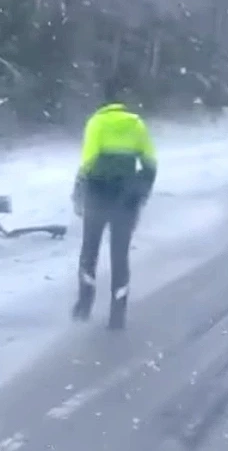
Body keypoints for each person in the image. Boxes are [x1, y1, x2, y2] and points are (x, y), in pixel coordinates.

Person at [70, 76, 157, 329]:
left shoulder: (97, 123)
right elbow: (150, 163)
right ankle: (117, 314)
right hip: (126, 199)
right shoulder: (137, 125)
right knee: (120, 255)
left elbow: (87, 162)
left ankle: (84, 304)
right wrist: (141, 190)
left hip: (98, 194)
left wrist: (79, 192)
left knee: (89, 250)